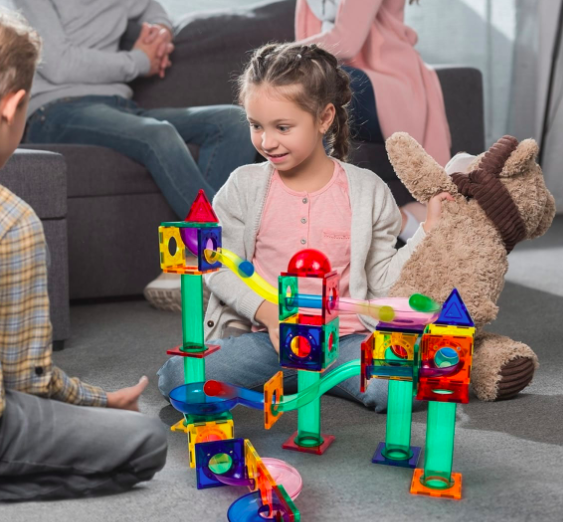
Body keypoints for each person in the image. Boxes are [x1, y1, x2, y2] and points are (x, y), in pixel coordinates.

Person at [157, 43, 453, 413]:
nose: (266, 141)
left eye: (282, 127)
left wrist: (428, 229)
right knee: (177, 378)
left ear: (324, 117)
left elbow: (381, 279)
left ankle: (322, 378)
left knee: (399, 388)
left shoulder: (368, 191)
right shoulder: (243, 186)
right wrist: (269, 314)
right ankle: (307, 379)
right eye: (255, 126)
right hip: (268, 340)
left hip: (344, 340)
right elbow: (218, 266)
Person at [0, 10, 167, 502]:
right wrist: (99, 401)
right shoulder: (13, 221)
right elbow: (25, 385)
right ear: (15, 107)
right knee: (146, 439)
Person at [15, 0, 258, 312]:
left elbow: (152, 8)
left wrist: (161, 32)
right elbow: (59, 63)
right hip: (56, 109)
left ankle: (191, 260)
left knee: (233, 121)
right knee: (159, 134)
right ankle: (236, 252)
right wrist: (139, 61)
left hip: (119, 105)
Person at [294, 0, 452, 241]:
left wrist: (276, 56)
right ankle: (314, 212)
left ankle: (332, 216)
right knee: (302, 88)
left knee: (319, 86)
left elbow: (345, 42)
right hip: (338, 76)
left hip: (385, 81)